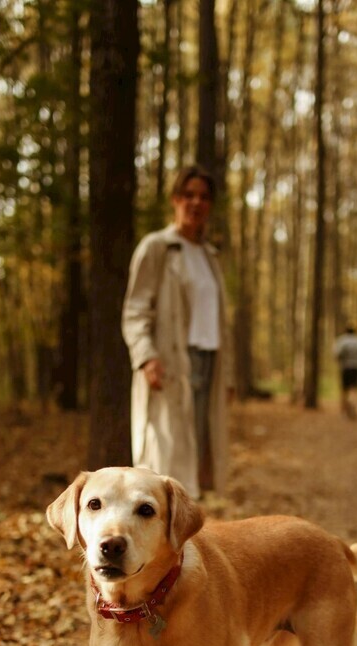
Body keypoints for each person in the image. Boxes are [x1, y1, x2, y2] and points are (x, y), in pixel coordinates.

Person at [121, 165, 232, 500]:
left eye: (203, 197)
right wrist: (145, 357)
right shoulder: (157, 248)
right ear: (175, 199)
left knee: (197, 461)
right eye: (189, 195)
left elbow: (220, 321)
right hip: (169, 365)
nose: (196, 203)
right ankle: (153, 545)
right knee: (163, 463)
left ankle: (189, 545)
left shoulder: (210, 256)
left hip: (208, 364)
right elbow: (135, 309)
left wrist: (227, 377)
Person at [332, 324, 357, 419]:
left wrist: (340, 360)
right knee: (355, 389)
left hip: (345, 367)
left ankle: (344, 411)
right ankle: (353, 407)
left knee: (344, 390)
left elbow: (337, 354)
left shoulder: (342, 340)